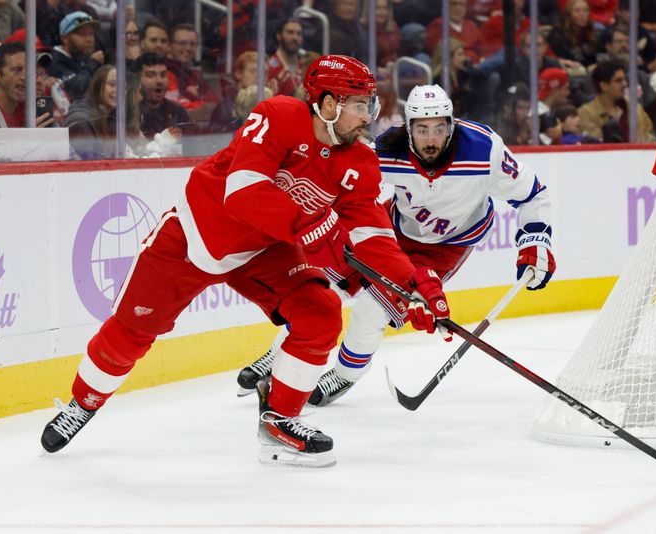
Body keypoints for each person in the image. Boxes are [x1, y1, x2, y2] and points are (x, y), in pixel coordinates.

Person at [40, 55, 452, 468]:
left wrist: (415, 283)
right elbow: (242, 192)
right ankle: (83, 402)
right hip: (196, 235)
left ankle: (280, 423)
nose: (369, 116)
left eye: (369, 104)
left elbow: (373, 235)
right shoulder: (276, 115)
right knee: (130, 333)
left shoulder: (360, 162)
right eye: (360, 105)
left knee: (321, 312)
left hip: (266, 250)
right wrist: (314, 223)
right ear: (328, 104)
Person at [236, 84, 554, 407]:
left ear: (452, 125)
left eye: (440, 128)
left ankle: (344, 375)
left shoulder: (483, 150)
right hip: (392, 228)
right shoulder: (388, 148)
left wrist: (536, 240)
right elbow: (347, 182)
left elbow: (532, 193)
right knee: (324, 286)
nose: (431, 139)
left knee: (372, 309)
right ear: (408, 127)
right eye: (422, 129)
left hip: (446, 246)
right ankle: (278, 356)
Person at [0, 41, 54, 162]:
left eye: (31, 71)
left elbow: (68, 155)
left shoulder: (34, 106)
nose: (25, 77)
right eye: (17, 70)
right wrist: (25, 141)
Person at [577, 60, 654, 142]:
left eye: (624, 79)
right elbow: (594, 143)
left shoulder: (636, 110)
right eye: (618, 81)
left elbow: (651, 138)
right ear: (604, 85)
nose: (625, 84)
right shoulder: (585, 113)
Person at [50, 11, 103, 102]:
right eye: (83, 34)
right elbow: (76, 90)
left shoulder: (81, 56)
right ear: (65, 38)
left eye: (91, 34)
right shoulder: (54, 61)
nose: (89, 39)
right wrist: (93, 63)